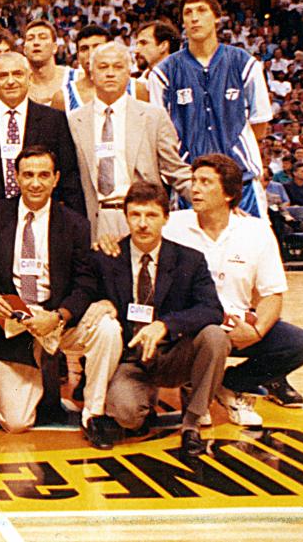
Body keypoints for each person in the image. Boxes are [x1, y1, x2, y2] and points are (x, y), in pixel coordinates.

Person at [0, 146, 122, 447]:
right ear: (16, 177)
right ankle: (2, 379)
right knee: (16, 424)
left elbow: (85, 282)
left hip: (57, 319)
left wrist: (59, 316)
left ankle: (94, 413)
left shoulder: (75, 224)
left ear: (56, 179)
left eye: (43, 175)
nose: (35, 183)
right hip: (13, 325)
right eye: (28, 174)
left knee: (108, 330)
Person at [162, 154, 303, 423]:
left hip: (237, 328)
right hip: (190, 331)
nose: (194, 188)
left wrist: (256, 330)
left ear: (229, 193)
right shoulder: (172, 225)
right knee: (208, 337)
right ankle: (196, 387)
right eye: (194, 181)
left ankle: (228, 384)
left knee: (299, 343)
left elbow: (272, 295)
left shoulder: (256, 231)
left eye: (205, 182)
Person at [92, 181, 228, 458]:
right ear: (125, 216)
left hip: (175, 352)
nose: (143, 224)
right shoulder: (108, 257)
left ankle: (192, 423)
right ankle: (144, 399)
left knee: (216, 336)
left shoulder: (189, 259)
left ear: (166, 217)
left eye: (151, 215)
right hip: (131, 359)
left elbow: (212, 309)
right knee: (127, 416)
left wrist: (166, 325)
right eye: (135, 215)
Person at [148, 0, 272, 216]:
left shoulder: (245, 64)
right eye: (188, 12)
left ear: (216, 17)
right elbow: (160, 133)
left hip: (242, 182)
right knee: (192, 251)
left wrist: (235, 151)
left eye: (202, 10)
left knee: (248, 249)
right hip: (190, 186)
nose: (194, 18)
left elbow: (260, 124)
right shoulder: (163, 73)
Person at [67, 43, 191, 240]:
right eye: (103, 67)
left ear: (129, 72)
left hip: (141, 215)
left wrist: (213, 202)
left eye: (117, 67)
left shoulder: (153, 117)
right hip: (95, 219)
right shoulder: (74, 121)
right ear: (91, 72)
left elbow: (175, 170)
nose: (110, 73)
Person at [0, 51, 84, 214]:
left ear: (29, 78)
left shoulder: (54, 120)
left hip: (42, 220)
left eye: (18, 74)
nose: (11, 81)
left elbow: (69, 178)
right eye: (3, 75)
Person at [22, 20, 72, 106]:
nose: (36, 43)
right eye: (30, 38)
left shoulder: (75, 78)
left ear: (55, 47)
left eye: (43, 37)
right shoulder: (16, 84)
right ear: (24, 49)